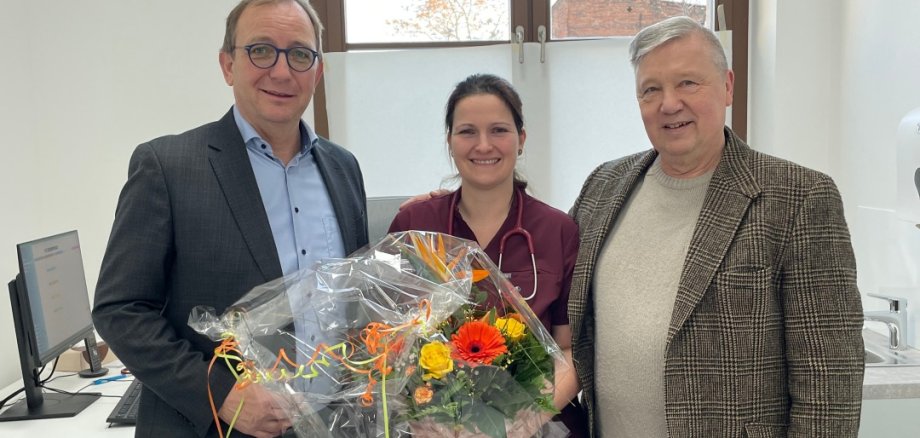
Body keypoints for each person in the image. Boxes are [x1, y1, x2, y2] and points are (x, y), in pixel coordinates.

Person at [567, 16, 865, 437]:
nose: (669, 103)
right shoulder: (602, 187)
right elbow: (548, 281)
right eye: (651, 89)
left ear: (727, 86)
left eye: (688, 83)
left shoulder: (798, 197)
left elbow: (829, 380)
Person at [91, 1, 368, 437]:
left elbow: (352, 299)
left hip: (332, 425)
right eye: (261, 50)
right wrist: (221, 394)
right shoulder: (168, 167)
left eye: (299, 54)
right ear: (227, 65)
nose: (281, 72)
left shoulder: (344, 168)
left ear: (316, 72)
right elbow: (120, 309)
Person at [388, 73, 587, 437]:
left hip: (536, 426)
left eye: (498, 130)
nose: (483, 145)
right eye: (467, 132)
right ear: (449, 141)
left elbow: (570, 349)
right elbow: (387, 342)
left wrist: (516, 424)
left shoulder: (558, 230)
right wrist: (431, 421)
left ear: (521, 139)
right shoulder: (415, 226)